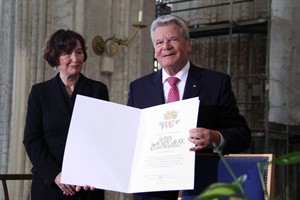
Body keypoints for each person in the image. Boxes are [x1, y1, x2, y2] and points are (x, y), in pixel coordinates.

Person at [127, 15, 251, 200]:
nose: (166, 47)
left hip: (199, 189)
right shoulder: (138, 88)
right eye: (159, 42)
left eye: (173, 39)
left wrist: (215, 137)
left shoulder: (215, 83)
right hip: (150, 192)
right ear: (154, 51)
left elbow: (242, 135)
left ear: (188, 43)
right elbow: (129, 139)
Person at [23, 29, 109, 200]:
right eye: (67, 53)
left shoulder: (98, 89)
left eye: (79, 52)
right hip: (50, 186)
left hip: (87, 186)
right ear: (55, 57)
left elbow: (103, 137)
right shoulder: (40, 92)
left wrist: (92, 171)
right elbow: (32, 140)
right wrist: (55, 174)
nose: (75, 59)